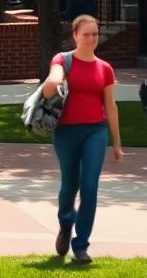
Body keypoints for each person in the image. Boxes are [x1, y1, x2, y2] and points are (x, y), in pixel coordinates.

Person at [42, 14, 123, 264]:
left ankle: (81, 245)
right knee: (70, 185)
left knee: (90, 188)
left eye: (95, 34)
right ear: (75, 35)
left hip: (95, 132)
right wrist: (54, 80)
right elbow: (49, 88)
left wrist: (117, 142)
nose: (91, 38)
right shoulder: (62, 60)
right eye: (86, 34)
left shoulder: (105, 68)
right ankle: (66, 222)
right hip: (65, 132)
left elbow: (110, 106)